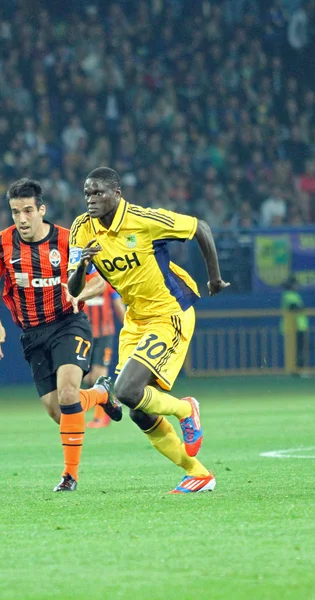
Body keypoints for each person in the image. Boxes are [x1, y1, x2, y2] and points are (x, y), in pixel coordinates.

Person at [68, 167, 230, 494]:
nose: (91, 199)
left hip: (170, 312)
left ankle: (186, 409)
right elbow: (74, 288)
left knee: (127, 392)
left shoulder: (143, 220)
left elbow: (201, 227)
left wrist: (213, 277)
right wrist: (83, 265)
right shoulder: (81, 229)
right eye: (87, 193)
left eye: (98, 193)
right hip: (136, 319)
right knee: (139, 413)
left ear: (117, 193)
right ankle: (199, 474)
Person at [0, 178, 123, 492]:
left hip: (67, 323)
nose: (22, 218)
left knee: (69, 393)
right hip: (31, 334)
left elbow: (102, 281)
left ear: (41, 210)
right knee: (59, 412)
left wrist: (80, 293)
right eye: (16, 211)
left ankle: (69, 476)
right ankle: (100, 394)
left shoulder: (68, 241)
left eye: (28, 210)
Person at [84, 283, 126, 429]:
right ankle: (110, 402)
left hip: (104, 335)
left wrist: (128, 325)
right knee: (87, 378)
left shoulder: (107, 283)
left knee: (98, 376)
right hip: (84, 335)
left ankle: (101, 417)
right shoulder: (77, 283)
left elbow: (118, 305)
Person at [280, 275, 308, 371]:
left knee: (299, 350)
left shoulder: (294, 295)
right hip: (293, 327)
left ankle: (297, 370)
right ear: (291, 285)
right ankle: (295, 370)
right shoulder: (289, 295)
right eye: (296, 284)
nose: (298, 286)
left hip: (299, 326)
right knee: (296, 350)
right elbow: (294, 307)